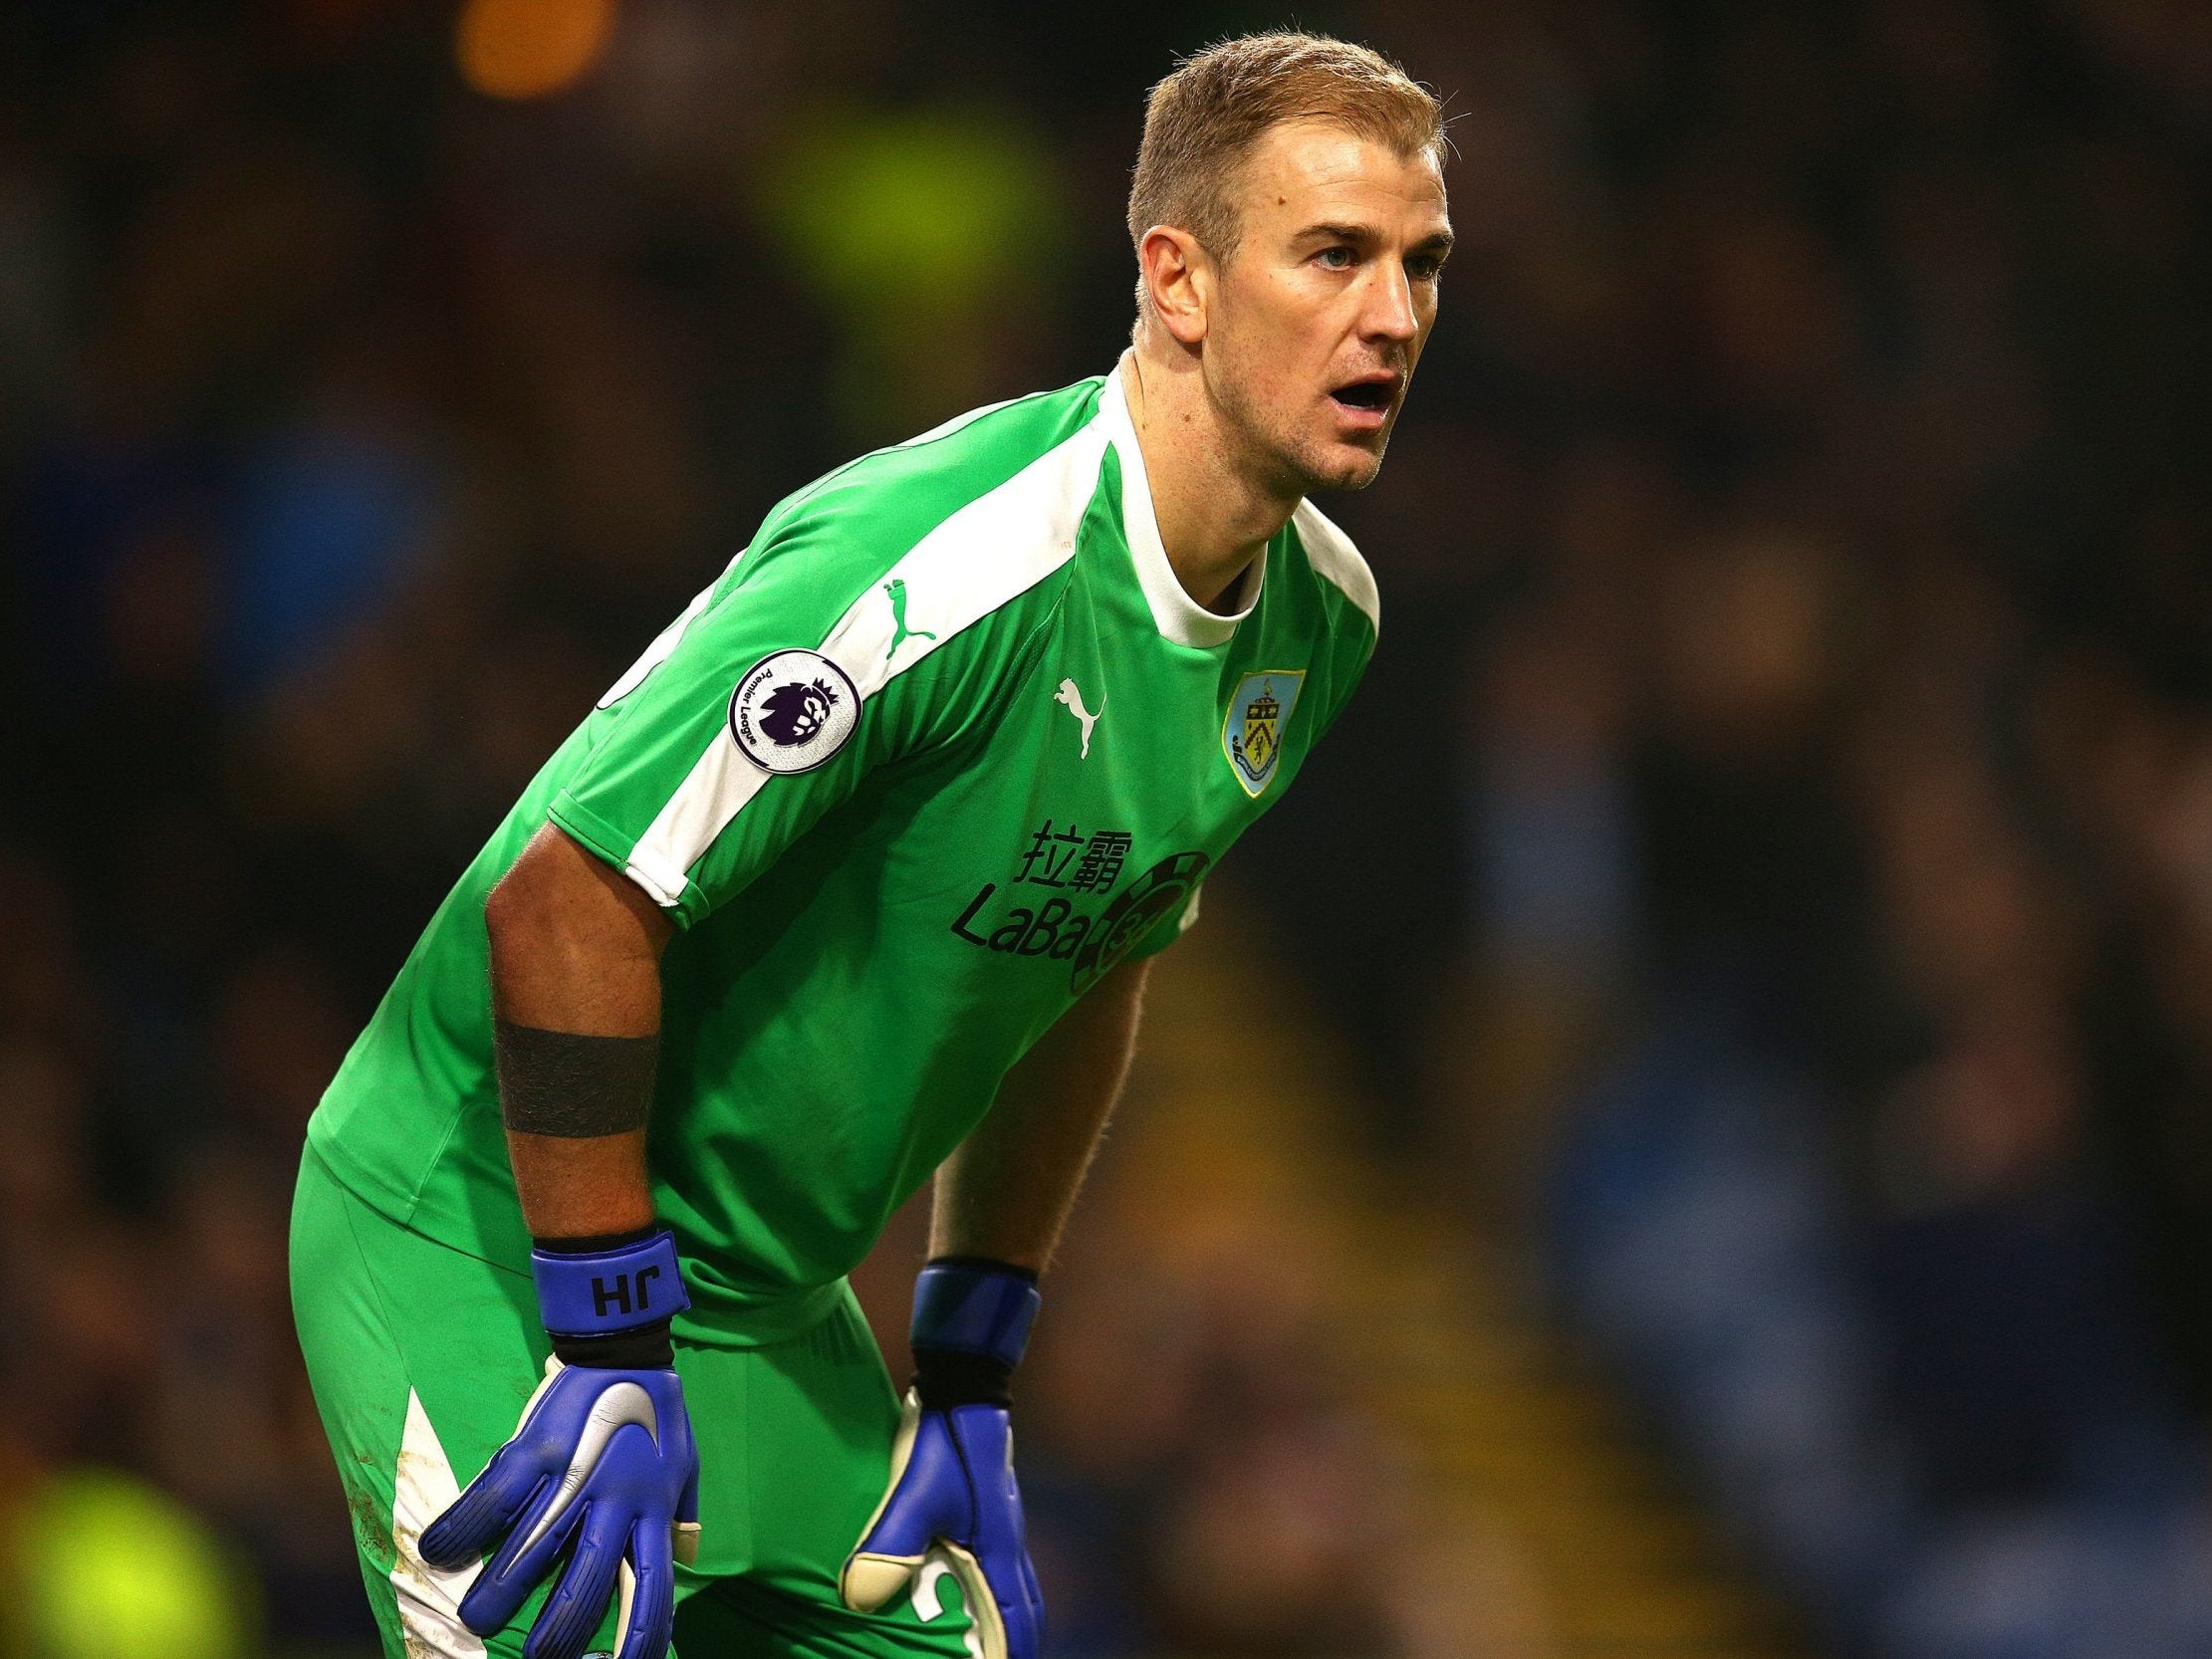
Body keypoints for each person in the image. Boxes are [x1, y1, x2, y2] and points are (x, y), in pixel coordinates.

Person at [290, 29, 1450, 1659]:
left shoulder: (1318, 624)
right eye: (1332, 255)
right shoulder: (956, 562)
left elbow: (1092, 953)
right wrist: (607, 1332)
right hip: (494, 1237)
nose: (1391, 316)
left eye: (1418, 265)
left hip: (768, 1312)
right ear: (1176, 280)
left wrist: (969, 1363)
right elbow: (566, 899)